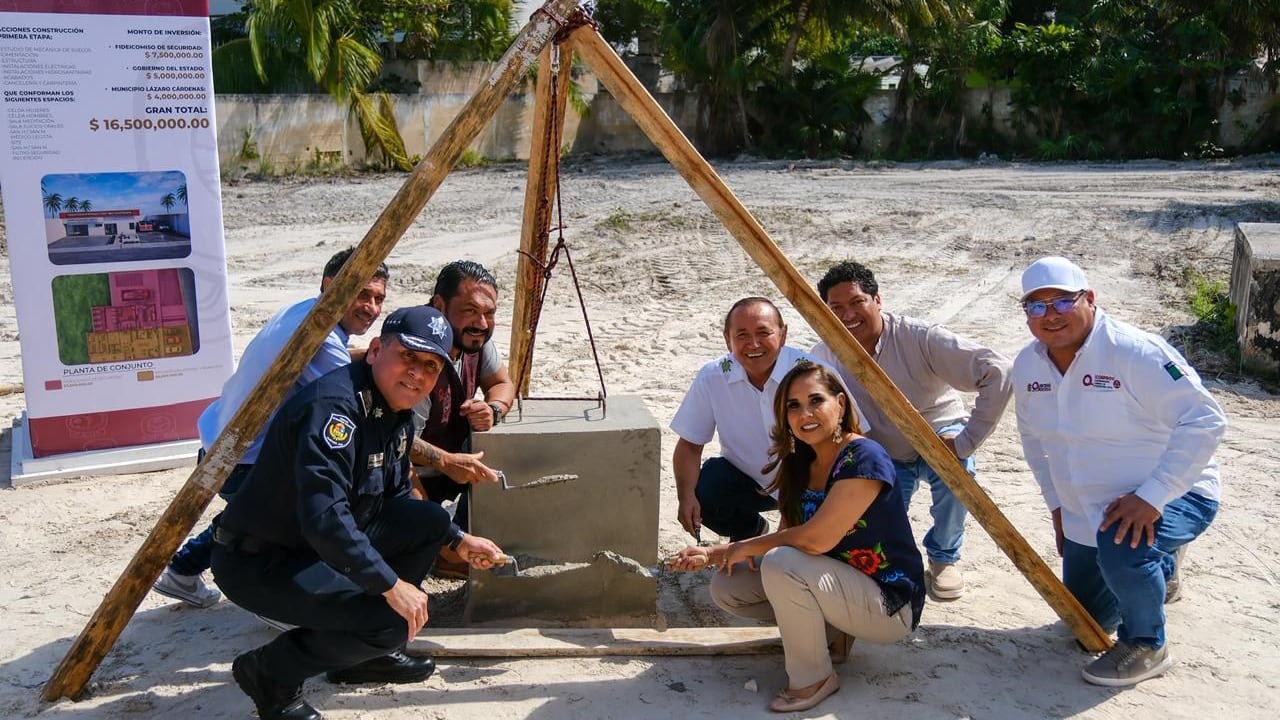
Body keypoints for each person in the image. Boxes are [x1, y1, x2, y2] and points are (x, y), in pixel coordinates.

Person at [211, 306, 507, 720]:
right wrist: (389, 584)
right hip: (264, 560)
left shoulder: (394, 410)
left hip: (315, 544)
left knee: (430, 523)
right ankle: (269, 672)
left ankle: (365, 657)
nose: (417, 373)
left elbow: (395, 499)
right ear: (374, 351)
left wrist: (459, 540)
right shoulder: (335, 410)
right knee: (391, 619)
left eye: (430, 365)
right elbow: (326, 517)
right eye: (407, 356)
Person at [1012, 256, 1225, 687]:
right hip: (1086, 507)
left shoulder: (1135, 351)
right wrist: (1058, 506)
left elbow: (1206, 419)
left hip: (1171, 492)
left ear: (1089, 299)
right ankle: (1159, 566)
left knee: (1123, 546)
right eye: (1036, 306)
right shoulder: (1028, 364)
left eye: (1061, 302)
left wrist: (1152, 496)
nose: (1049, 316)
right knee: (1085, 623)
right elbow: (1035, 443)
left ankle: (1148, 644)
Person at [672, 361, 925, 713]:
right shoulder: (799, 462)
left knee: (782, 563)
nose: (805, 413)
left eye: (815, 401)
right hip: (836, 586)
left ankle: (814, 678)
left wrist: (735, 547)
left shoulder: (864, 456)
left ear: (840, 404)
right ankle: (834, 637)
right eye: (793, 405)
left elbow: (814, 541)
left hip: (888, 604)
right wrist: (718, 555)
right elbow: (786, 535)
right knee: (729, 586)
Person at [153, 248, 389, 609]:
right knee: (304, 514)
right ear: (331, 285)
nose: (371, 308)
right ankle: (284, 603)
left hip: (218, 438)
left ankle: (182, 570)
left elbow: (340, 358)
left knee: (245, 516)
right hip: (242, 459)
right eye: (362, 294)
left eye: (378, 299)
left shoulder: (304, 311)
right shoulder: (321, 339)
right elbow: (348, 399)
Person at [810, 261, 1011, 600]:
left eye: (857, 302)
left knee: (957, 478)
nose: (848, 315)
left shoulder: (920, 337)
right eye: (836, 308)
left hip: (939, 436)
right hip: (885, 450)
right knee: (878, 520)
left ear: (878, 300)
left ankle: (944, 558)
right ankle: (898, 566)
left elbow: (999, 371)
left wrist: (967, 440)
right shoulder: (823, 356)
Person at [671, 297, 867, 542]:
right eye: (741, 335)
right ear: (727, 339)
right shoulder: (713, 376)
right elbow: (689, 445)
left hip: (813, 481)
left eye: (764, 332)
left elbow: (857, 438)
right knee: (709, 487)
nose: (753, 344)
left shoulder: (813, 374)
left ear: (783, 335)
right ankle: (750, 530)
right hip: (753, 481)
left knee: (799, 552)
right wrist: (685, 497)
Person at [408, 261, 515, 577]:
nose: (481, 322)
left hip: (446, 465)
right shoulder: (420, 354)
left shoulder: (475, 341)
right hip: (407, 473)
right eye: (469, 310)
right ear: (440, 305)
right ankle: (442, 550)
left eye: (489, 313)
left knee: (494, 440)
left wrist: (492, 410)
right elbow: (396, 446)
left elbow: (503, 384)